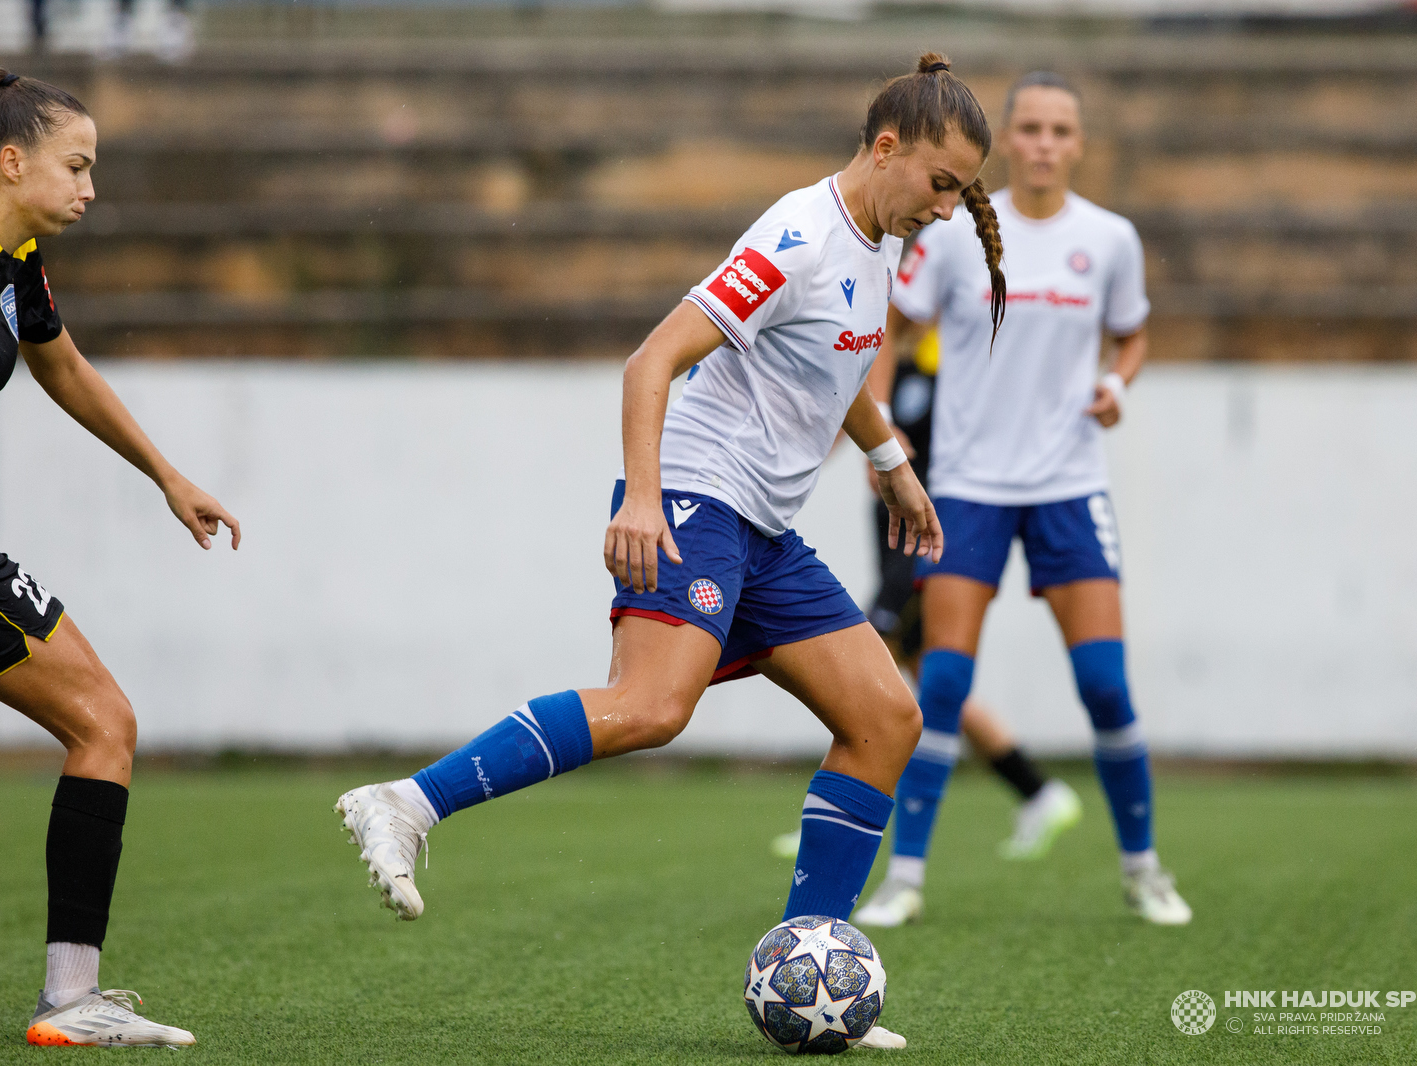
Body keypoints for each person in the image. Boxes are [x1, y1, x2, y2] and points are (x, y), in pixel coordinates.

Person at [335, 53, 1008, 1051]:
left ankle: (810, 970)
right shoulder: (796, 234)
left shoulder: (879, 239)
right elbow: (653, 357)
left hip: (763, 526)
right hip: (696, 497)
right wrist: (643, 497)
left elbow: (841, 356)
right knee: (651, 707)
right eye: (941, 184)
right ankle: (402, 802)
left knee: (884, 717)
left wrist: (887, 455)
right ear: (885, 148)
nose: (948, 211)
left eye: (960, 192)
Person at [0, 70, 240, 1046]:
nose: (89, 186)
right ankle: (69, 999)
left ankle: (70, 1000)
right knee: (104, 719)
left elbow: (64, 367)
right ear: (12, 161)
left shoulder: (15, 252)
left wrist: (165, 474)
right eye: (75, 165)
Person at [853, 71, 1192, 929]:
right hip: (965, 488)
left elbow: (1133, 332)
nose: (1044, 143)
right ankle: (907, 877)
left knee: (1105, 686)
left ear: (1079, 144)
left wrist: (1118, 382)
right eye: (1030, 129)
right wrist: (882, 420)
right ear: (1009, 139)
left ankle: (1144, 868)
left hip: (1070, 487)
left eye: (1059, 130)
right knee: (943, 683)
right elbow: (891, 326)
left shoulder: (1110, 239)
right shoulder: (954, 233)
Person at [772, 327, 1081, 867]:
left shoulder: (960, 356)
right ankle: (1038, 792)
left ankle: (831, 811)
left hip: (929, 531)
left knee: (863, 656)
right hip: (895, 530)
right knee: (927, 678)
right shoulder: (894, 361)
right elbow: (856, 414)